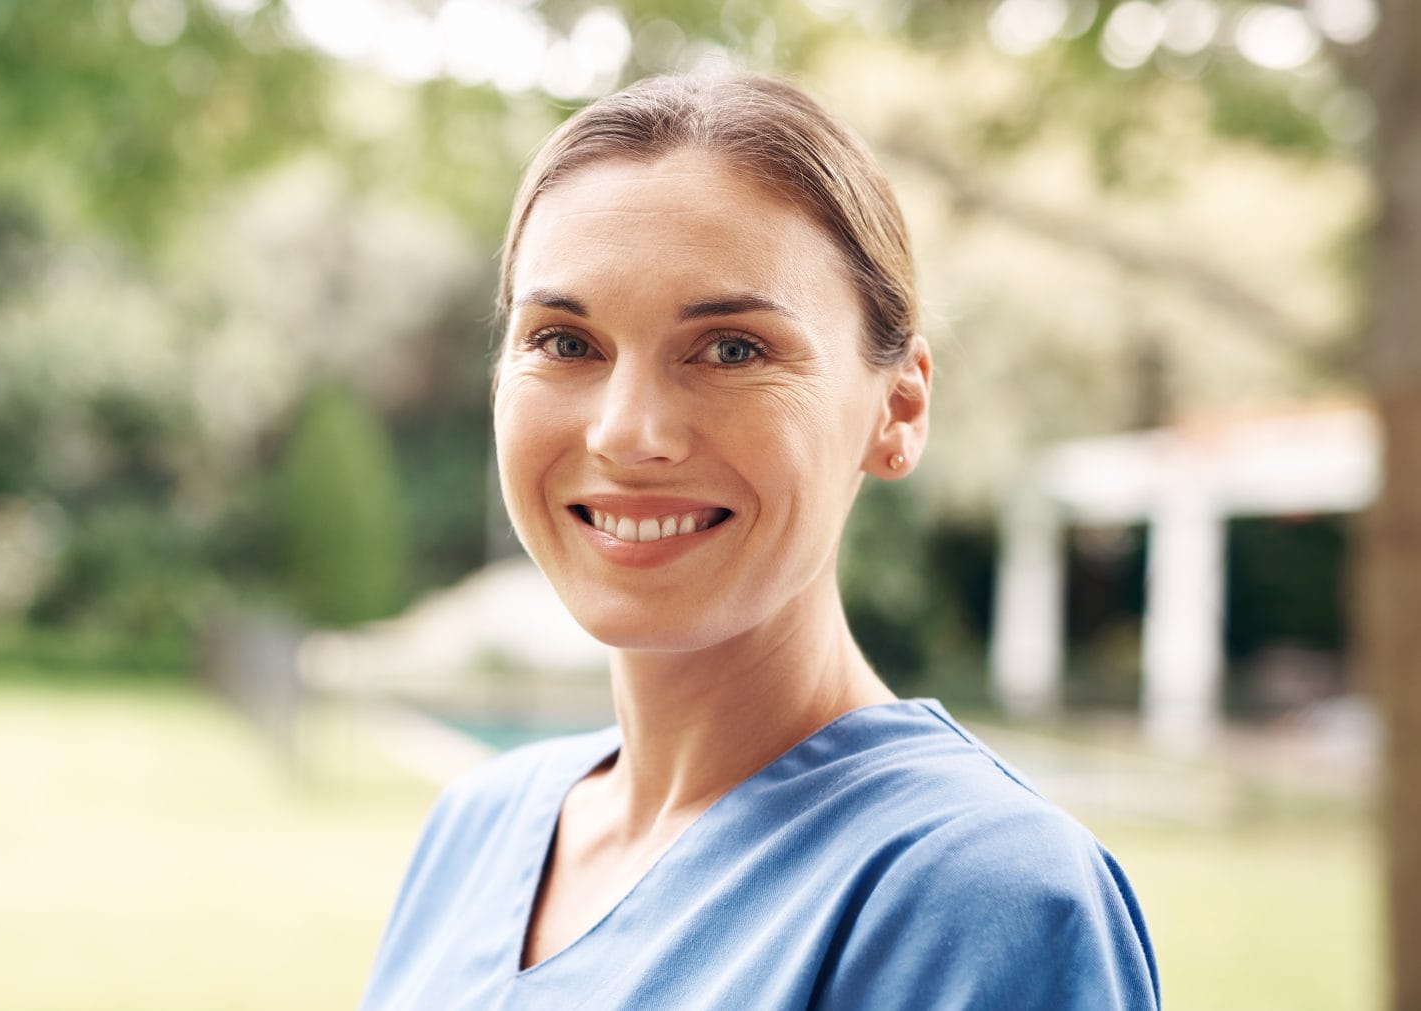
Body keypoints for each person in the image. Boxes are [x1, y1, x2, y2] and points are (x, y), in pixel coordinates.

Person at [358, 72, 1160, 1010]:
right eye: (566, 342)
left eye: (732, 348)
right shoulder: (476, 828)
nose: (626, 432)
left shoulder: (981, 895)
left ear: (898, 408)